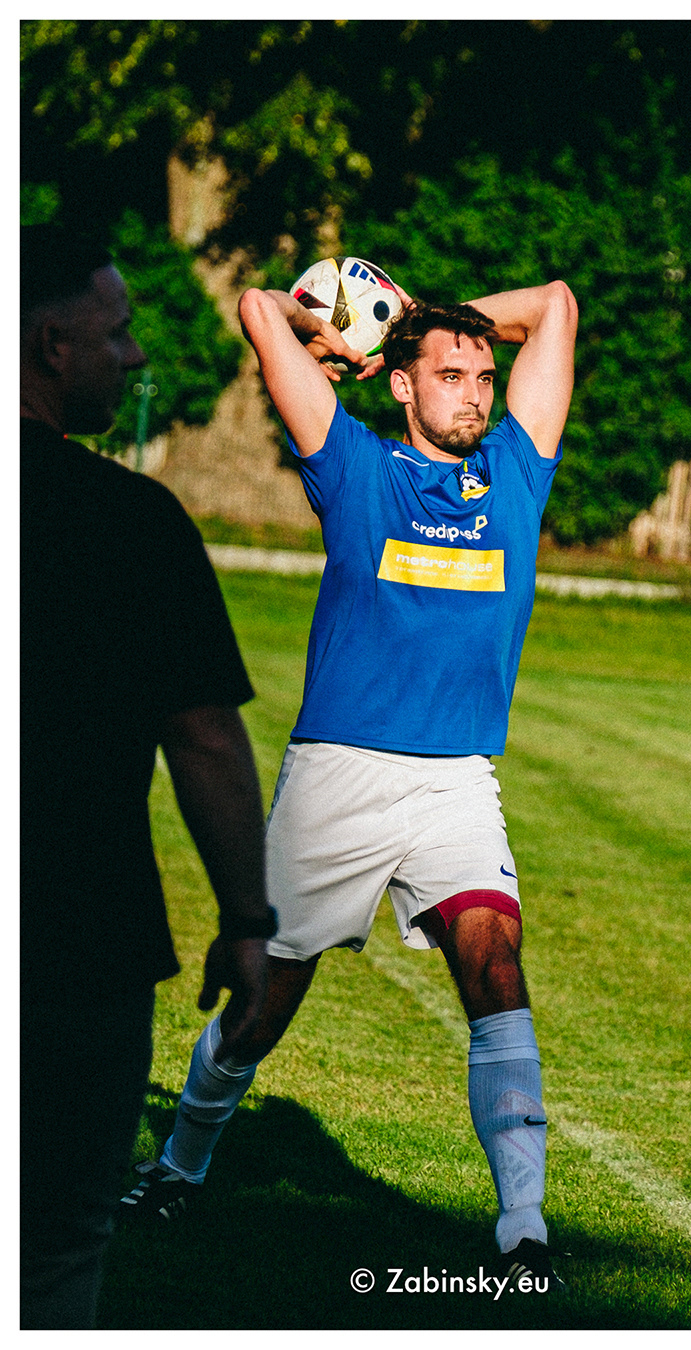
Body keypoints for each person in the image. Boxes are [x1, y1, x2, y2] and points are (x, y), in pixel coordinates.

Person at [126, 267, 578, 1289]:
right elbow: (258, 309)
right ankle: (178, 1167)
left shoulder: (517, 470)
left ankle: (524, 1230)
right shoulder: (354, 467)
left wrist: (425, 321)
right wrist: (348, 331)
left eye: (484, 376)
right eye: (450, 376)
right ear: (402, 388)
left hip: (458, 782)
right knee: (264, 1001)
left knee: (496, 968)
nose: (475, 392)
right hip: (339, 777)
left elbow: (554, 303)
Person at [20, 223, 275, 1330]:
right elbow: (204, 737)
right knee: (53, 1245)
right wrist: (249, 921)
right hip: (74, 943)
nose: (133, 357)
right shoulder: (129, 520)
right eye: (116, 332)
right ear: (50, 345)